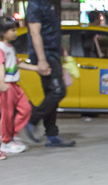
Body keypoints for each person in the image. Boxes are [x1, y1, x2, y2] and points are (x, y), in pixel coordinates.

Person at [24, 0, 75, 147]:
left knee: (51, 93)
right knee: (58, 91)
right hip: (45, 55)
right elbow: (35, 32)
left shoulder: (54, 4)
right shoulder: (36, 4)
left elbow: (54, 31)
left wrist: (62, 54)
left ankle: (52, 135)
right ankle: (32, 120)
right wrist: (41, 59)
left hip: (53, 53)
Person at [0, 17, 36, 155]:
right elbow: (0, 65)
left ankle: (13, 134)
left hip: (14, 84)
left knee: (26, 108)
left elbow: (18, 64)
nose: (15, 32)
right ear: (3, 32)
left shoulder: (10, 47)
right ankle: (6, 141)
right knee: (7, 114)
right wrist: (2, 83)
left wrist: (37, 68)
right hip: (6, 84)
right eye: (12, 30)